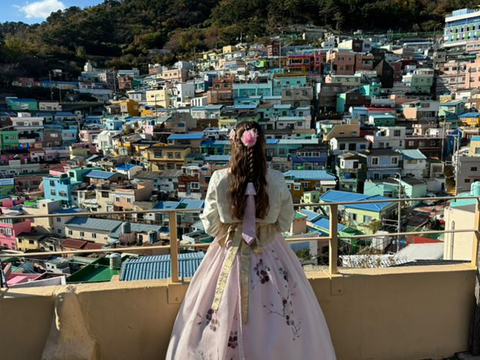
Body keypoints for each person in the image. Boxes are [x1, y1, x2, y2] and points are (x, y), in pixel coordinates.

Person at [166, 121, 336, 359]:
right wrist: (265, 228)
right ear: (262, 146)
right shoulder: (276, 179)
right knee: (285, 313)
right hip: (270, 251)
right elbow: (285, 221)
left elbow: (210, 224)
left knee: (216, 312)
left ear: (234, 145)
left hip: (228, 251)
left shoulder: (219, 179)